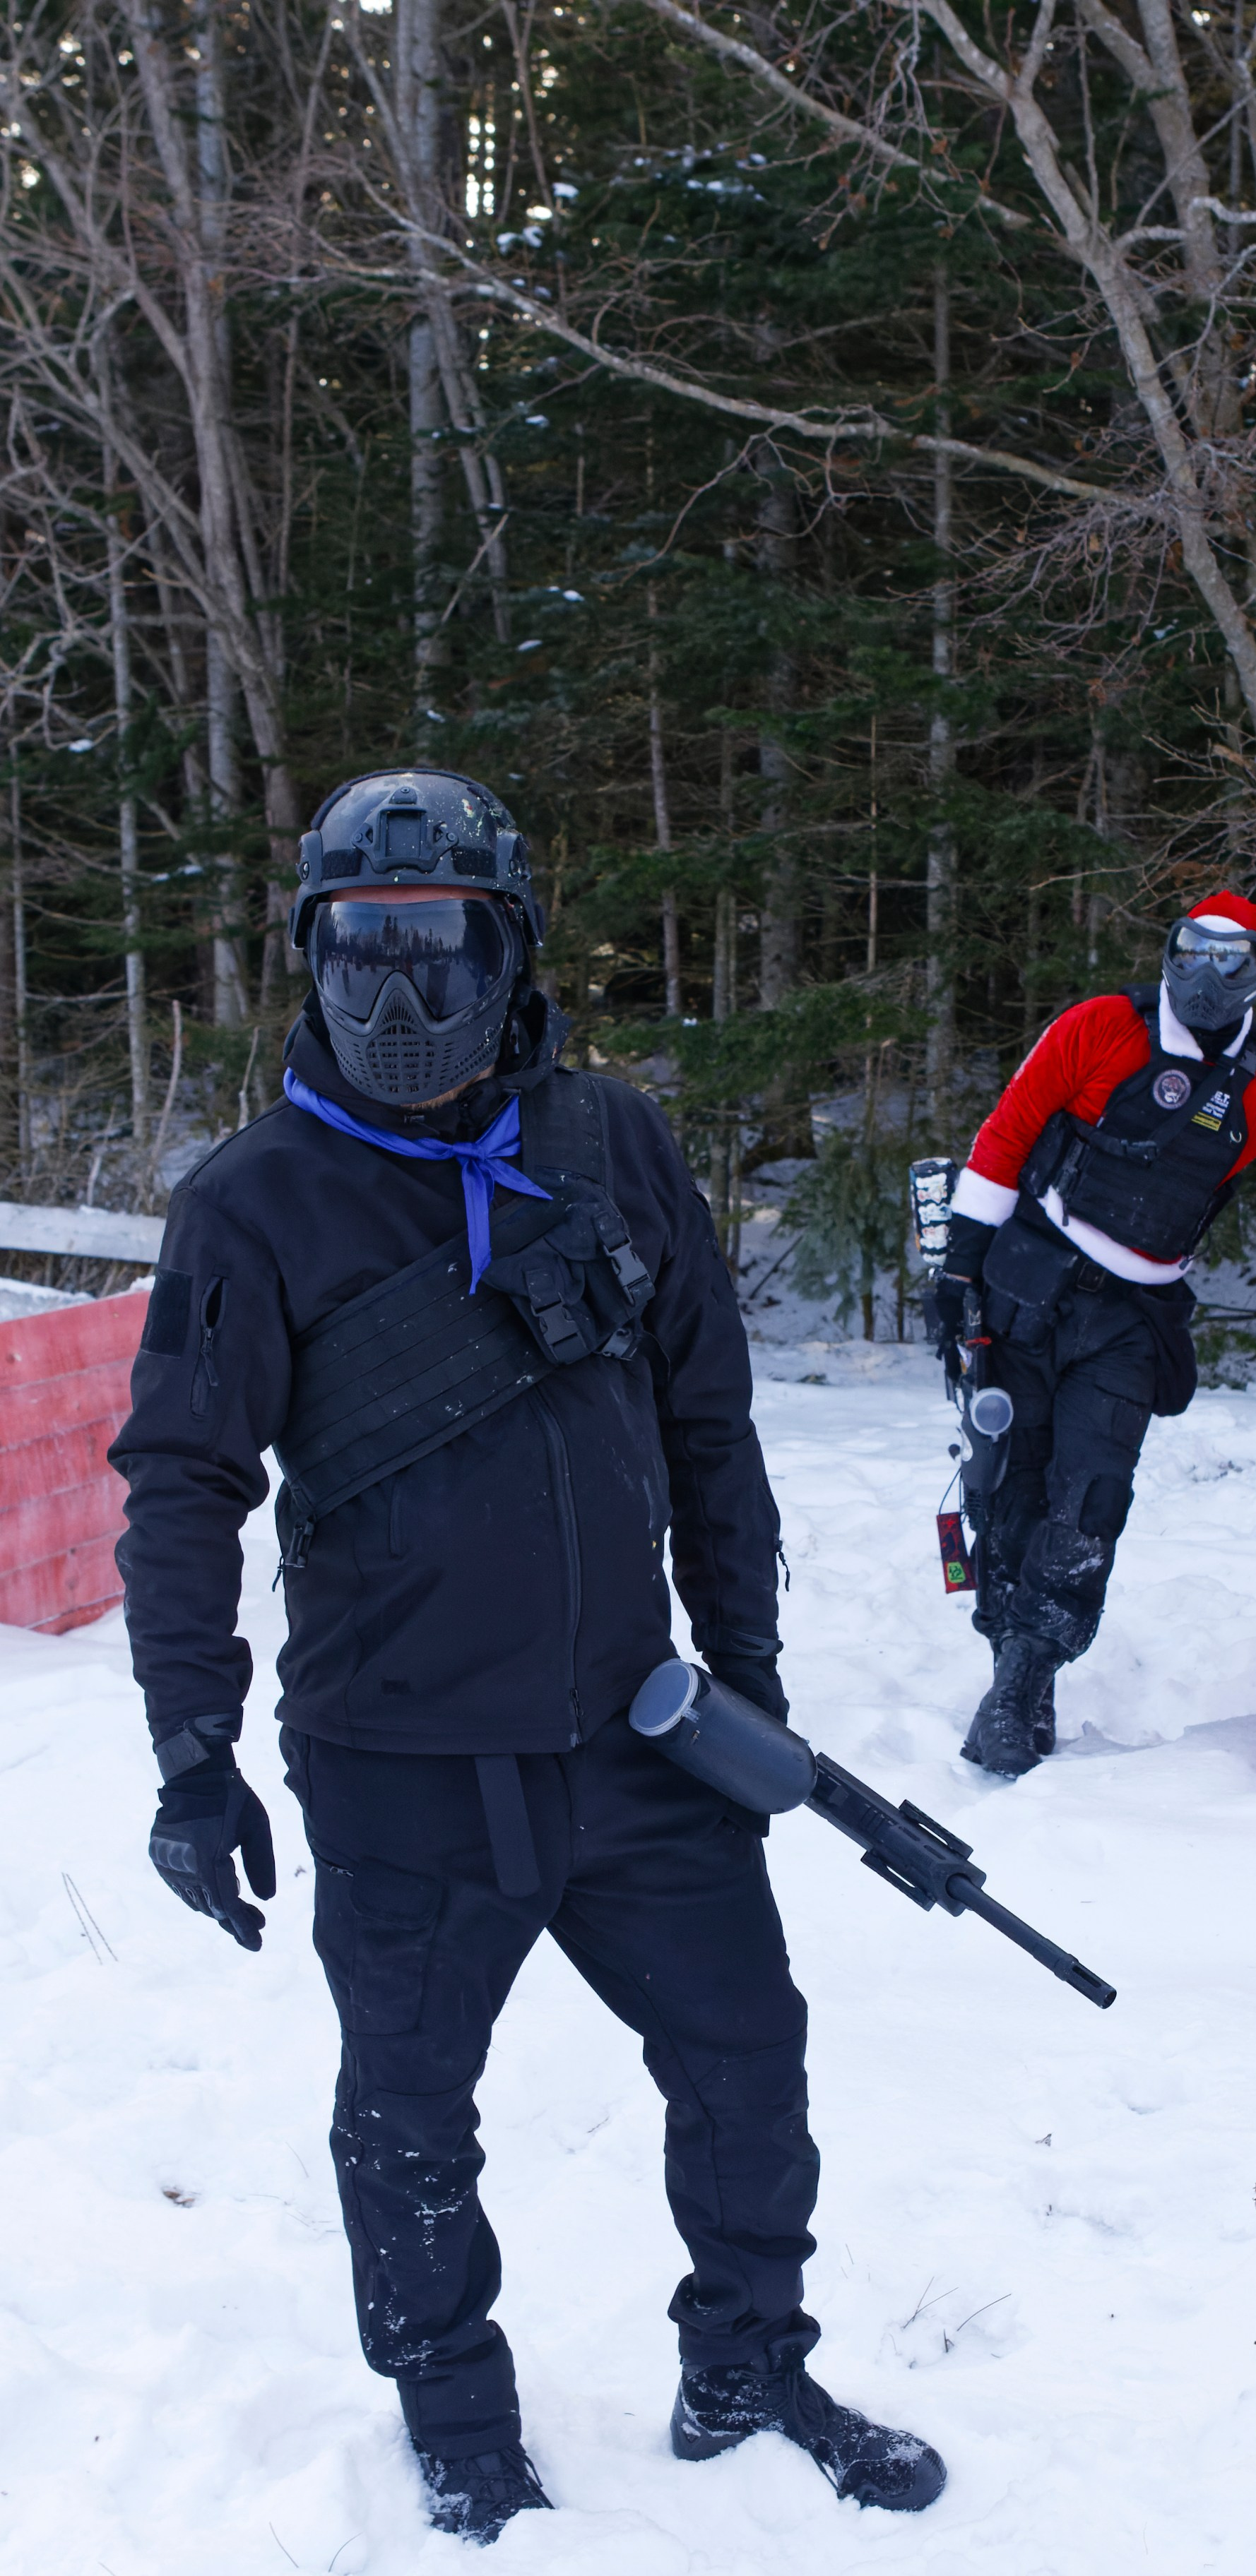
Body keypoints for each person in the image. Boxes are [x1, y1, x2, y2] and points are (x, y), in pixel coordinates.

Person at [112, 768, 945, 2545]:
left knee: (749, 2060)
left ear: (513, 954)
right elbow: (180, 1483)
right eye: (361, 951)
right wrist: (196, 1748)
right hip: (398, 1759)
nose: (399, 999)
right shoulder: (252, 1206)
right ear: (309, 958)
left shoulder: (612, 1146)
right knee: (409, 2113)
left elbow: (710, 1422)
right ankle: (457, 2410)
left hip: (636, 1732)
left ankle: (748, 2362)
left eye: (441, 950)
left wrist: (751, 1688)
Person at [930, 890, 1256, 1782]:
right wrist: (957, 1273)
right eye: (1193, 952)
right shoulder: (1096, 1028)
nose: (1207, 976)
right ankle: (1015, 1664)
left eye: (1232, 961)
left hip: (1131, 1320)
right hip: (1025, 1286)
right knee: (1012, 1488)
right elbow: (1004, 1138)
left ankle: (1025, 1677)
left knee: (1090, 1500)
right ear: (1169, 953)